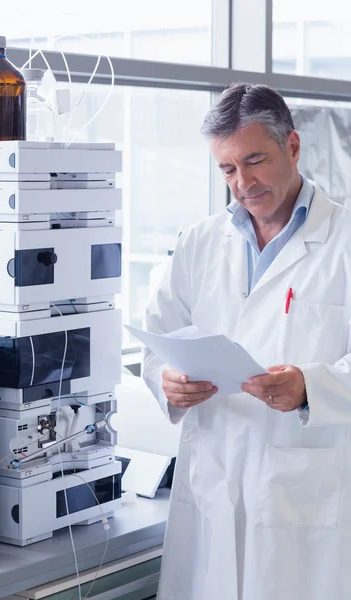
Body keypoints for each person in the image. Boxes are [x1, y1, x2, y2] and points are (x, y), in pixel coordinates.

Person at [143, 82, 351, 600]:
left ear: (293, 147)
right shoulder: (199, 243)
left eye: (254, 161)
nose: (242, 182)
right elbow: (158, 341)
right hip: (211, 485)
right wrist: (167, 382)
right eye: (227, 169)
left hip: (305, 503)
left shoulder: (344, 242)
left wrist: (311, 387)